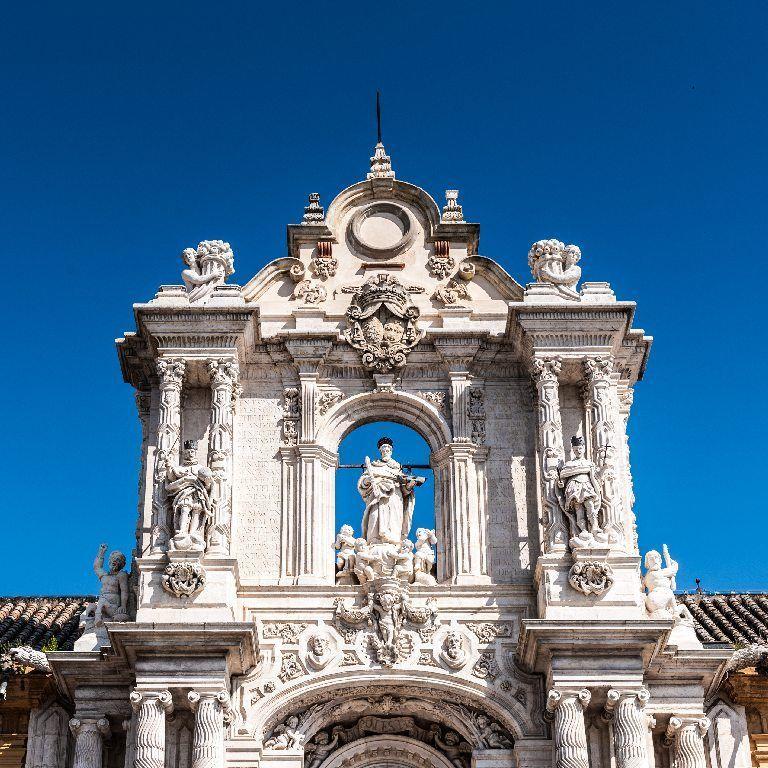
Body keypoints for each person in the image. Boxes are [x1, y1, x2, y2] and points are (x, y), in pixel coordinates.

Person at [358, 438, 425, 546]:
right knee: (375, 517)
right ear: (380, 451)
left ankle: (393, 542)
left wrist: (409, 486)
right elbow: (362, 482)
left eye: (388, 450)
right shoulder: (373, 466)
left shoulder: (397, 468)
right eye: (383, 450)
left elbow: (404, 490)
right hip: (377, 497)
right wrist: (368, 480)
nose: (385, 452)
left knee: (393, 520)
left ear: (391, 451)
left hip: (394, 497)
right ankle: (374, 540)